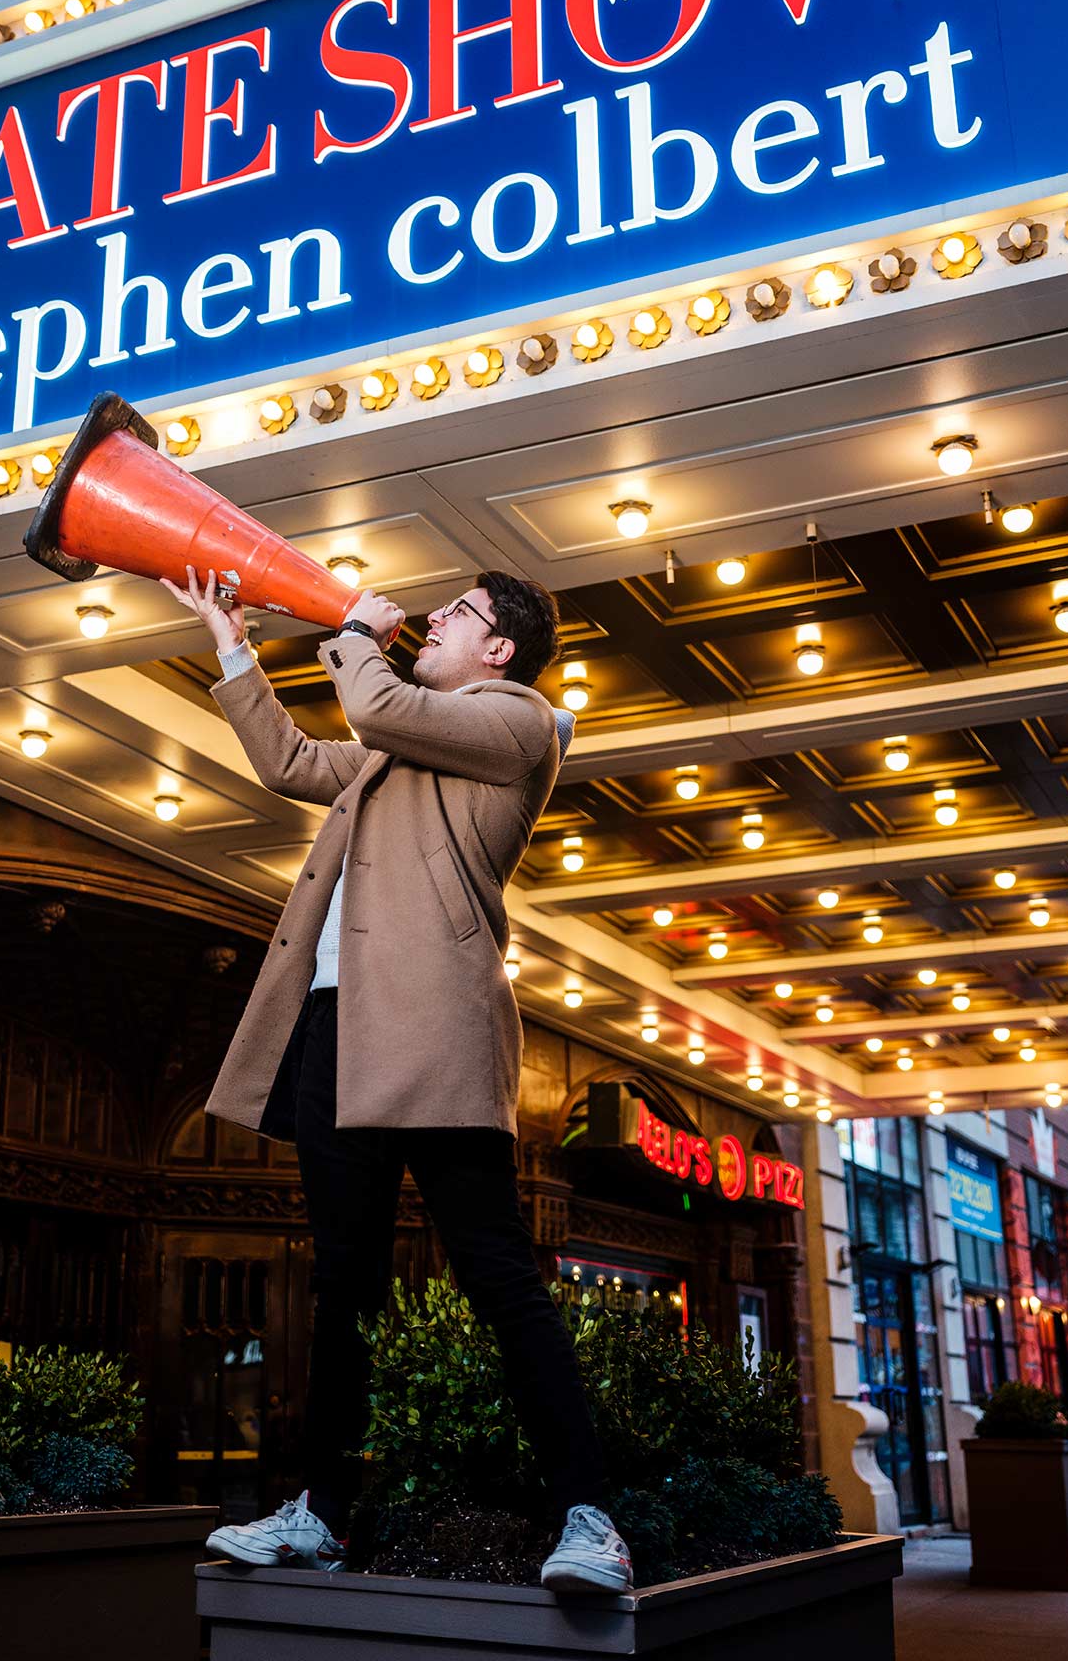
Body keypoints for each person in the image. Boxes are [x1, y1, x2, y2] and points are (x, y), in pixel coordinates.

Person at [164, 564, 632, 1594]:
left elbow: (374, 698)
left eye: (457, 613)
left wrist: (353, 628)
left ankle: (590, 1512)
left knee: (500, 1274)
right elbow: (292, 757)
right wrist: (232, 642)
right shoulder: (402, 746)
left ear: (499, 648)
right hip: (339, 1025)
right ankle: (323, 1509)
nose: (432, 620)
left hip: (437, 1031)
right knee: (345, 1284)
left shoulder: (520, 722)